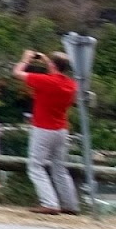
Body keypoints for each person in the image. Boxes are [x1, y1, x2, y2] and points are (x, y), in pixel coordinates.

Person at [13, 49, 80, 215]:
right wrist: (45, 60)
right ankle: (70, 205)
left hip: (43, 128)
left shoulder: (45, 81)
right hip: (62, 130)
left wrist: (25, 59)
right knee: (60, 168)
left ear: (52, 65)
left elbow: (17, 73)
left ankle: (50, 203)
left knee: (35, 166)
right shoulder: (71, 85)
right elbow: (55, 70)